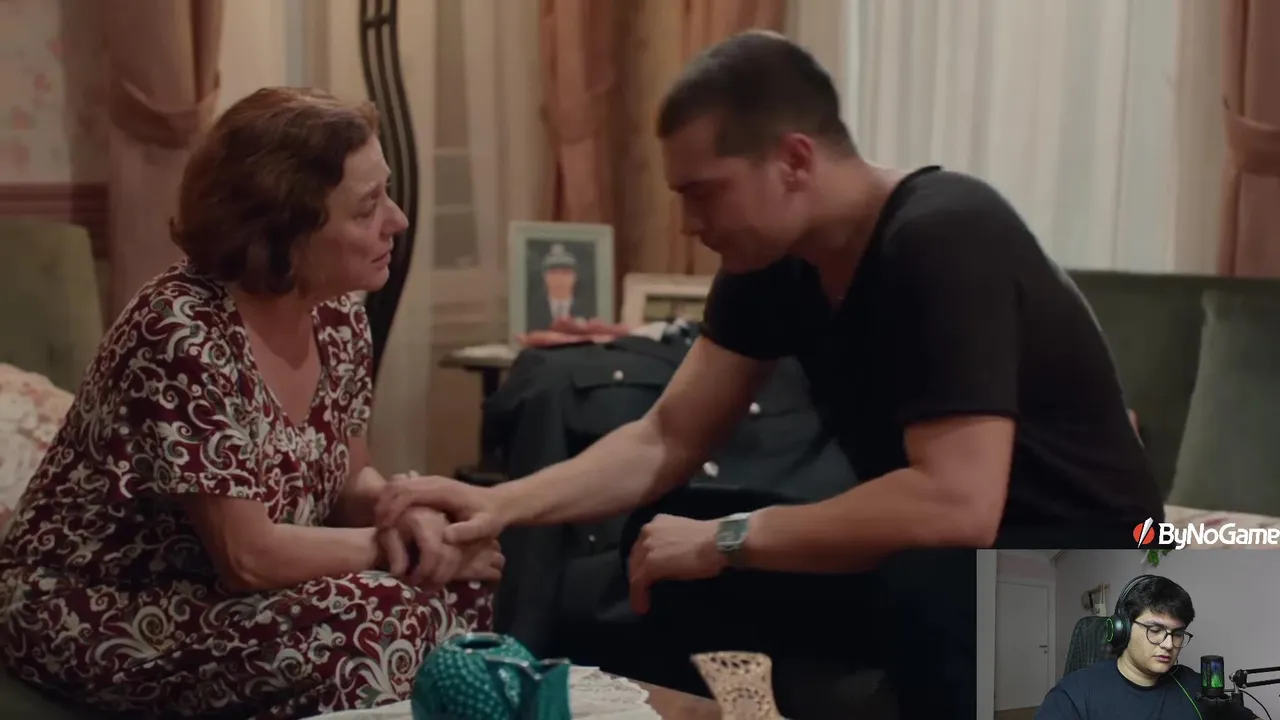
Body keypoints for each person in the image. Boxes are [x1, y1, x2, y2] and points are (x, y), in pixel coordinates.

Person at [376, 30, 1162, 718]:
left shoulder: (944, 235)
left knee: (912, 579)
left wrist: (730, 538)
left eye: (703, 193)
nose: (689, 224)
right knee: (662, 553)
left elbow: (955, 504)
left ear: (793, 160)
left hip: (1089, 566)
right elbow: (665, 437)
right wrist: (500, 503)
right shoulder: (772, 262)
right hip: (947, 548)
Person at [0, 88, 502, 719]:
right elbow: (247, 557)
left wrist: (416, 515)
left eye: (388, 195)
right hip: (100, 600)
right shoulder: (181, 328)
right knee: (377, 617)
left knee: (461, 582)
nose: (397, 221)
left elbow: (348, 479)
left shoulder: (340, 316)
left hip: (215, 593)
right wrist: (397, 546)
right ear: (283, 230)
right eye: (367, 208)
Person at [1037, 576, 1255, 720]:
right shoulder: (1074, 694)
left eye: (1177, 633)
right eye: (1155, 629)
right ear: (1122, 629)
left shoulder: (1195, 685)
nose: (1168, 644)